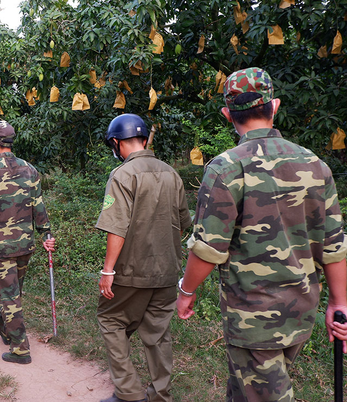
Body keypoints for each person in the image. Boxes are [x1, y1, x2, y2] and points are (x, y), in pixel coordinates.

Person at [176, 67, 347, 401]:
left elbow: (209, 249)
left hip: (253, 319)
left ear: (228, 114)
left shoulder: (226, 168)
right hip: (301, 311)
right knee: (244, 391)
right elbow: (334, 245)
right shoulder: (314, 164)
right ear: (275, 106)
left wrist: (186, 290)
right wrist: (339, 302)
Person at [96, 114, 192, 402]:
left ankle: (129, 392)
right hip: (167, 271)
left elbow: (116, 227)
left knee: (111, 321)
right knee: (158, 332)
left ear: (116, 142)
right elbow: (184, 221)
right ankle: (160, 394)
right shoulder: (170, 172)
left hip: (130, 271)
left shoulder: (122, 175)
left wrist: (108, 270)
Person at [0, 120, 56, 365]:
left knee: (8, 296)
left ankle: (21, 349)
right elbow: (39, 205)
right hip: (25, 244)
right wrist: (46, 232)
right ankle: (5, 330)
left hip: (0, 246)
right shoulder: (30, 169)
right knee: (13, 292)